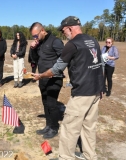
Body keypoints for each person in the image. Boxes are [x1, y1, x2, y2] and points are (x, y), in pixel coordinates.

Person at [32, 16, 103, 159]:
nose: (63, 34)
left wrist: (40, 76)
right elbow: (100, 64)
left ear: (70, 28)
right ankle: (90, 156)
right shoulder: (93, 41)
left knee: (69, 128)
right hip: (96, 91)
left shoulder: (72, 44)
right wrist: (101, 87)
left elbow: (56, 69)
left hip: (82, 92)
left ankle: (65, 157)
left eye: (63, 31)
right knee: (89, 126)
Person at [29, 22, 64, 139]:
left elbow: (64, 59)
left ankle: (54, 128)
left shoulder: (56, 41)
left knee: (51, 104)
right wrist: (32, 49)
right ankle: (48, 126)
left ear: (42, 30)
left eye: (36, 35)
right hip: (42, 78)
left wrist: (55, 71)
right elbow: (34, 59)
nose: (35, 38)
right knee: (45, 103)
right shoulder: (40, 43)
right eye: (33, 36)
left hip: (54, 79)